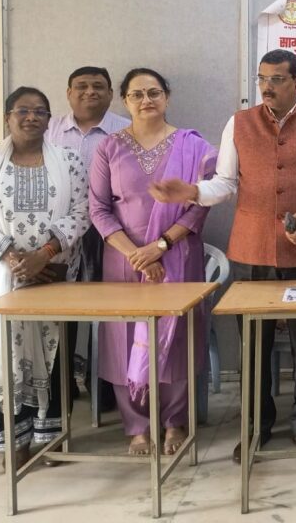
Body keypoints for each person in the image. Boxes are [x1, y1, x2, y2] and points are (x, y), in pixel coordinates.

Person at [150, 49, 296, 465]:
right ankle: (257, 427)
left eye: (277, 79)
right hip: (250, 249)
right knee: (254, 345)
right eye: (262, 79)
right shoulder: (239, 123)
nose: (267, 87)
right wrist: (192, 191)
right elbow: (224, 183)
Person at [88, 68, 217, 456]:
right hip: (124, 260)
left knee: (176, 338)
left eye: (154, 92)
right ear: (125, 101)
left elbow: (200, 205)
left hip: (177, 256)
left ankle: (175, 420)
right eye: (137, 94)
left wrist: (160, 246)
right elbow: (98, 209)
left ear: (167, 97)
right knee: (124, 339)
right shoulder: (109, 148)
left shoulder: (194, 146)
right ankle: (137, 426)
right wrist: (137, 255)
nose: (146, 100)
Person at [0, 87, 89, 466]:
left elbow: (82, 212)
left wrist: (43, 255)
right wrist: (13, 258)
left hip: (54, 272)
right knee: (5, 353)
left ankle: (52, 437)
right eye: (22, 110)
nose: (31, 117)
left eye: (40, 111)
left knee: (55, 355)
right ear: (7, 117)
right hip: (0, 275)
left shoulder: (69, 160)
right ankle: (14, 442)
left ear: (50, 120)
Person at [46, 66, 130, 402]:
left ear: (110, 94)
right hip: (59, 234)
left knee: (107, 310)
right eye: (81, 86)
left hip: (109, 232)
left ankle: (103, 390)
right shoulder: (49, 130)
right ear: (69, 93)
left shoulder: (126, 130)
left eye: (98, 86)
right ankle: (61, 387)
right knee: (60, 310)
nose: (89, 91)